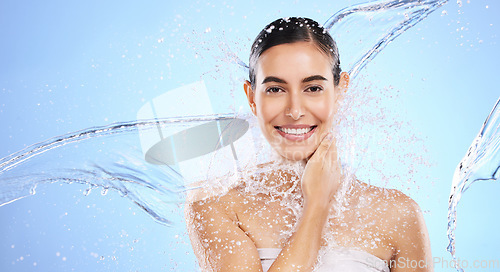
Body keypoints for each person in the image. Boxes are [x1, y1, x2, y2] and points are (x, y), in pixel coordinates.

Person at [185, 17, 432, 272]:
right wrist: (317, 205)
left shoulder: (399, 214)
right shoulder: (216, 204)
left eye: (313, 88)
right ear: (251, 97)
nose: (294, 110)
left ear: (340, 91)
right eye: (275, 89)